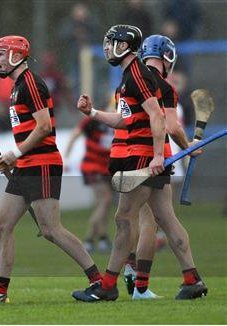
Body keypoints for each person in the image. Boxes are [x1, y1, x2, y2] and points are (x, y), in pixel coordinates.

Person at [71, 25, 207, 302]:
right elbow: (125, 120)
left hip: (143, 158)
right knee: (165, 219)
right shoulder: (130, 77)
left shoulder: (137, 75)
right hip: (144, 155)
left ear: (126, 46)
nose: (107, 48)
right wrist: (93, 112)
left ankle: (107, 286)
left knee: (124, 219)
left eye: (112, 43)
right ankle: (192, 280)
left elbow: (158, 117)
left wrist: (158, 155)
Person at [0, 35, 102, 304]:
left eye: (2, 54)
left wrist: (16, 153)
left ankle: (99, 281)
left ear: (17, 56)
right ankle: (0, 292)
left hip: (42, 163)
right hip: (26, 165)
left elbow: (44, 126)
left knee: (51, 229)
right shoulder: (16, 87)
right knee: (2, 226)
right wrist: (16, 157)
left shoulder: (32, 83)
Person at [120, 34, 199, 299]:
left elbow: (128, 121)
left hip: (135, 157)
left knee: (141, 220)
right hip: (152, 158)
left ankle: (129, 283)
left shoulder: (131, 79)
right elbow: (172, 125)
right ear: (168, 57)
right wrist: (188, 146)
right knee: (158, 220)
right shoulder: (164, 86)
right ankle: (187, 279)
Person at [65, 113, 113, 253]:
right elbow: (75, 135)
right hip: (93, 166)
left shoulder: (120, 121)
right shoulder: (93, 120)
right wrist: (67, 157)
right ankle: (89, 239)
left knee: (102, 204)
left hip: (108, 168)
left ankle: (103, 238)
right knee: (106, 200)